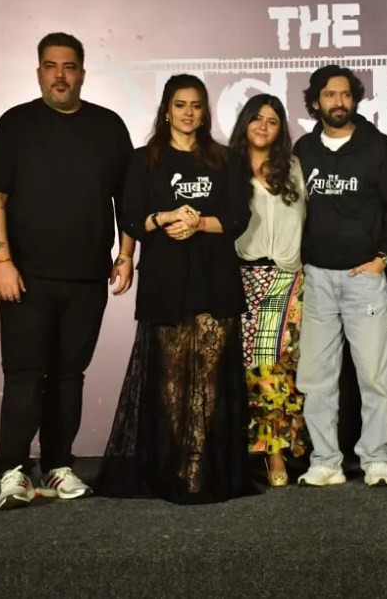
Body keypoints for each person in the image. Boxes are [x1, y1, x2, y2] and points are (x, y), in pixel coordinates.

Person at [0, 32, 135, 510]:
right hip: (25, 277)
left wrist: (126, 254)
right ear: (39, 72)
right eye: (51, 66)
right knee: (24, 375)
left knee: (69, 376)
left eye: (68, 66)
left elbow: (128, 200)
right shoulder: (15, 124)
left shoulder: (108, 126)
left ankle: (58, 465)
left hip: (87, 277)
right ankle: (13, 471)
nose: (60, 75)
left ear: (82, 73)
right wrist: (1, 261)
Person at [95, 74, 257, 504]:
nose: (188, 112)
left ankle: (196, 462)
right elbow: (132, 218)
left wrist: (198, 223)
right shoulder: (143, 160)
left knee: (209, 375)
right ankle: (172, 461)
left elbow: (238, 218)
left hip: (214, 277)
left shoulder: (225, 159)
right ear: (167, 110)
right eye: (180, 104)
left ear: (205, 113)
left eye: (196, 105)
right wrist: (166, 218)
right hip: (165, 278)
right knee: (171, 375)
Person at [293, 65, 387, 487]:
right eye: (328, 95)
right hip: (317, 278)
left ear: (354, 99)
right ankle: (325, 461)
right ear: (315, 102)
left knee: (374, 377)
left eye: (344, 94)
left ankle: (377, 460)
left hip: (364, 278)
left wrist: (383, 258)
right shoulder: (303, 150)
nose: (338, 102)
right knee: (316, 379)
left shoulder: (379, 148)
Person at [229, 94, 309, 487]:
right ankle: (254, 453)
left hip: (287, 278)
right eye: (257, 118)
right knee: (250, 369)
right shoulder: (227, 166)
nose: (263, 126)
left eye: (272, 120)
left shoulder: (292, 167)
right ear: (245, 122)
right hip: (241, 276)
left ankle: (277, 453)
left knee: (277, 367)